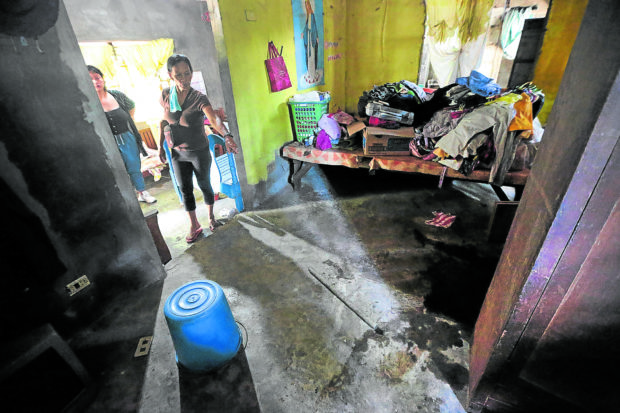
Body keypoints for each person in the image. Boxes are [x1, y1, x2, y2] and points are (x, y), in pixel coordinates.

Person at [159, 54, 238, 243]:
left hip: (199, 152)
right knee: (184, 188)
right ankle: (194, 225)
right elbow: (163, 121)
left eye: (187, 74)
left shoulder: (198, 98)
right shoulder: (166, 95)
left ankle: (211, 219)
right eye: (179, 75)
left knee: (205, 185)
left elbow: (213, 119)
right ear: (171, 75)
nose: (184, 79)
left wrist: (226, 135)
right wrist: (162, 146)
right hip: (178, 153)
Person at [87, 65, 157, 204]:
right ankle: (126, 199)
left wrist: (128, 120)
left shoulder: (116, 95)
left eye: (97, 77)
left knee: (134, 166)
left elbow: (131, 106)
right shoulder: (89, 102)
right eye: (91, 79)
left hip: (127, 137)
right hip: (107, 142)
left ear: (102, 78)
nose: (96, 81)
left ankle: (142, 192)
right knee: (117, 171)